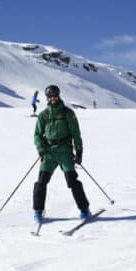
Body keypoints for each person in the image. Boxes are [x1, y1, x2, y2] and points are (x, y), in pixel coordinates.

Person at [33, 85, 90, 222]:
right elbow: (37, 134)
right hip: (49, 152)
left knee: (72, 180)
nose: (53, 99)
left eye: (55, 96)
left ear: (58, 96)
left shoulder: (67, 113)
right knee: (41, 181)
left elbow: (76, 134)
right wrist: (40, 147)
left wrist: (79, 151)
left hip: (64, 151)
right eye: (50, 97)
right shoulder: (43, 115)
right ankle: (38, 210)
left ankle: (84, 209)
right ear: (47, 98)